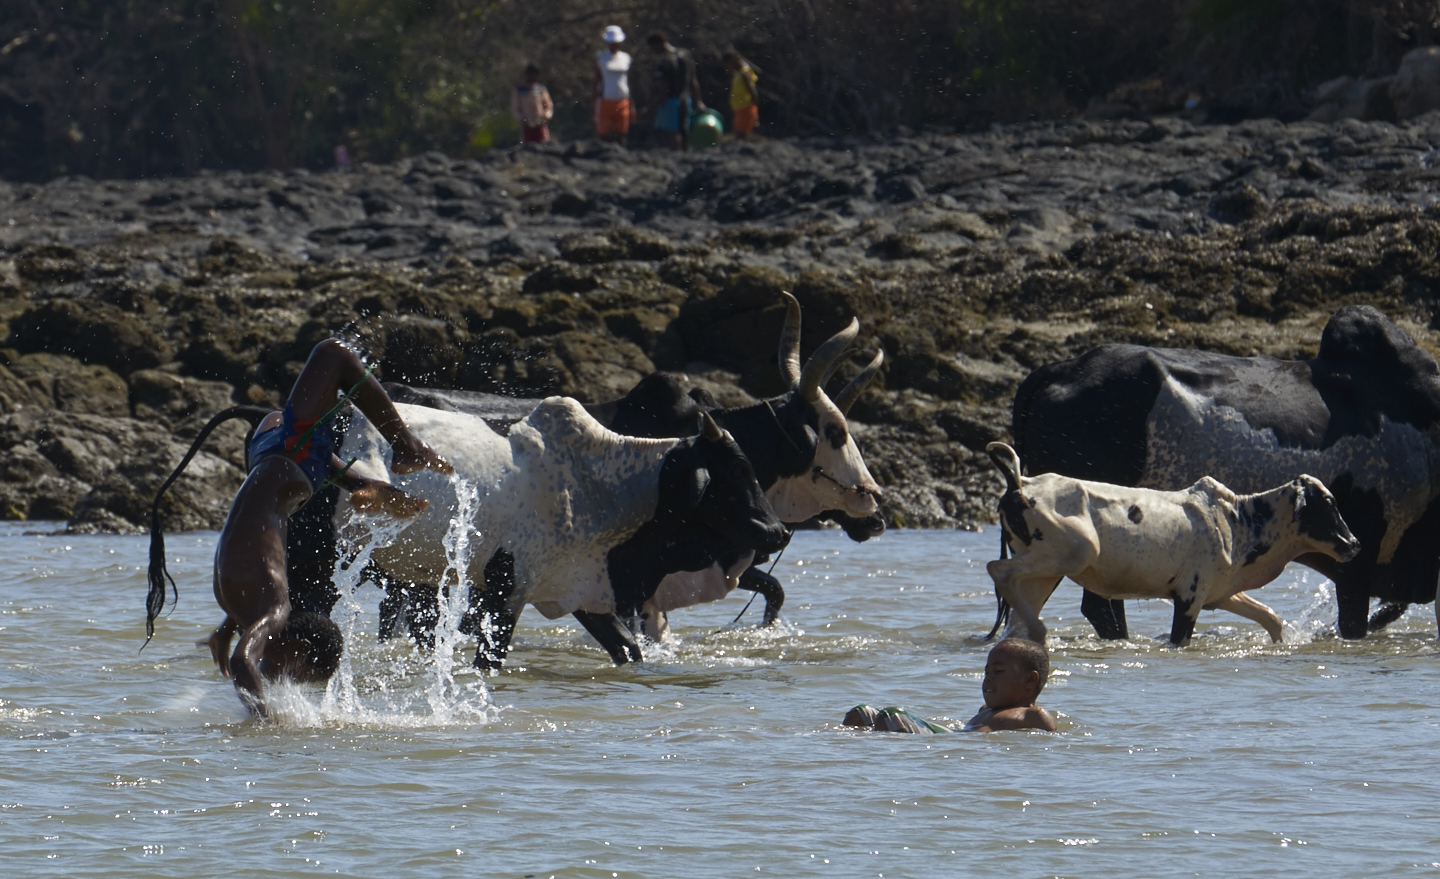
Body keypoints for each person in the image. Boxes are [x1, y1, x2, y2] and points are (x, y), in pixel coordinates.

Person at [207, 339, 453, 717]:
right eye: (299, 675)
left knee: (318, 448)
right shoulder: (276, 608)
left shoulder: (255, 609)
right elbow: (244, 663)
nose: (280, 679)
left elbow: (248, 598)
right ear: (301, 650)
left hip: (276, 456)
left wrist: (230, 626)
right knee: (333, 353)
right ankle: (406, 448)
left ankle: (371, 487)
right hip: (286, 458)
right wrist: (266, 723)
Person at [843, 638, 1058, 734]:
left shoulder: (1033, 715)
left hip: (945, 740)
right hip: (951, 734)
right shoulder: (985, 711)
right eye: (986, 672)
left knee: (891, 716)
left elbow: (1049, 739)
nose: (989, 679)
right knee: (860, 713)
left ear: (1030, 680)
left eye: (998, 672)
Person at [647, 31, 703, 151]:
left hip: (670, 101)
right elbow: (693, 80)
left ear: (658, 44)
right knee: (683, 130)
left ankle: (675, 158)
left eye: (652, 47)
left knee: (671, 132)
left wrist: (654, 105)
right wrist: (698, 100)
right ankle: (685, 155)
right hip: (685, 99)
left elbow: (664, 86)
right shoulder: (685, 55)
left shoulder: (665, 62)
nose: (653, 51)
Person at [595, 25, 632, 144]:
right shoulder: (601, 58)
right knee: (603, 133)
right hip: (606, 99)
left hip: (622, 99)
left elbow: (628, 81)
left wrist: (632, 104)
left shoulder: (626, 58)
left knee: (622, 133)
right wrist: (593, 102)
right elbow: (597, 80)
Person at [511, 64, 554, 145]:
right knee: (527, 149)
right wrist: (523, 119)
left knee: (544, 146)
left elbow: (548, 106)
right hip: (527, 127)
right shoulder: (519, 90)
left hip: (540, 125)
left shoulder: (541, 89)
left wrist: (545, 116)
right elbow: (515, 109)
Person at [723, 50, 760, 141]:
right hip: (739, 109)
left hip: (746, 108)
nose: (728, 67)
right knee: (739, 134)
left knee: (741, 135)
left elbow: (753, 92)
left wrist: (755, 112)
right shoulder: (738, 73)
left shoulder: (744, 73)